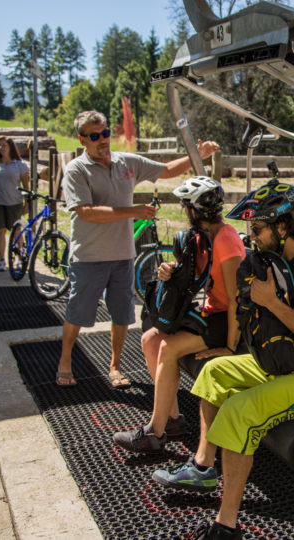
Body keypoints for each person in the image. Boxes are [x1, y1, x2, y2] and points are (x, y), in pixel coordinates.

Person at [151, 183, 294, 540]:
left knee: (240, 411)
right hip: (293, 361)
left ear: (283, 227)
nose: (251, 238)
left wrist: (271, 302)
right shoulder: (277, 262)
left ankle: (226, 525)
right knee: (215, 373)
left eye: (257, 229)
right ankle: (203, 467)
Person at [57, 110, 220, 388]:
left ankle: (115, 366)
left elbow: (166, 170)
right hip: (89, 256)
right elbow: (84, 212)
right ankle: (66, 359)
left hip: (123, 255)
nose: (102, 140)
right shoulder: (76, 169)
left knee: (122, 314)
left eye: (105, 133)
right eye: (95, 136)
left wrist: (198, 156)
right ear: (82, 139)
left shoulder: (126, 162)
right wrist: (130, 211)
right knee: (78, 313)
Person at [113, 176, 245, 452]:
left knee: (169, 347)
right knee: (150, 339)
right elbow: (195, 276)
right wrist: (170, 270)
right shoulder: (201, 238)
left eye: (186, 207)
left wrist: (230, 348)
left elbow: (236, 300)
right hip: (212, 312)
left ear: (194, 210)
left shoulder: (226, 240)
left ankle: (154, 433)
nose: (185, 213)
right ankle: (171, 419)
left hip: (231, 320)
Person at [0, 137, 30, 271]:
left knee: (17, 231)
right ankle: (1, 260)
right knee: (0, 230)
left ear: (11, 147)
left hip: (14, 202)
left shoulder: (19, 165)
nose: (1, 148)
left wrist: (27, 204)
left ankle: (19, 257)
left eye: (4, 145)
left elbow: (26, 186)